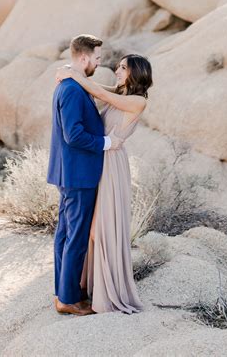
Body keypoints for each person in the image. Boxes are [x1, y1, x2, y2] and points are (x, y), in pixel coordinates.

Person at [55, 52, 153, 314]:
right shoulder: (122, 92)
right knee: (90, 226)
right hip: (99, 161)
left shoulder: (136, 101)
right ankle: (90, 286)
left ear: (136, 72)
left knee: (101, 226)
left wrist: (73, 74)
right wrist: (73, 74)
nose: (117, 70)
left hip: (112, 166)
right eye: (118, 66)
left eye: (123, 68)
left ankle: (108, 290)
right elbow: (104, 90)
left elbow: (104, 94)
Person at [46, 34, 123, 317]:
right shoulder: (71, 90)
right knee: (75, 237)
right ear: (83, 58)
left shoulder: (71, 85)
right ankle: (68, 299)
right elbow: (73, 134)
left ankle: (63, 292)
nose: (99, 63)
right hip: (78, 174)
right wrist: (107, 143)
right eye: (97, 59)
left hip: (70, 172)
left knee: (66, 234)